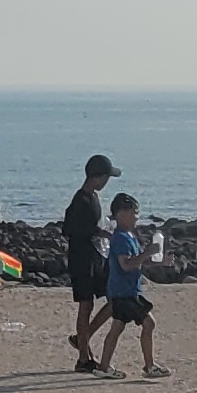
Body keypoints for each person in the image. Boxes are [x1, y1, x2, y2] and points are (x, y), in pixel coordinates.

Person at [89, 193, 169, 380]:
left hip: (125, 290)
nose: (137, 217)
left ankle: (104, 366)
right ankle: (149, 366)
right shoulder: (120, 239)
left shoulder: (129, 237)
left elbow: (137, 261)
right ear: (121, 214)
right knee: (149, 323)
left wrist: (159, 261)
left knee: (117, 328)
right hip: (124, 292)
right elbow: (126, 265)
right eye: (134, 213)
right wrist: (147, 253)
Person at [63, 154, 117, 372]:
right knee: (85, 305)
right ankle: (83, 357)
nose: (106, 182)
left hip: (95, 256)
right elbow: (70, 228)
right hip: (81, 259)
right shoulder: (80, 200)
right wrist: (99, 232)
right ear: (97, 176)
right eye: (106, 177)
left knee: (114, 299)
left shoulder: (93, 197)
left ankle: (83, 338)